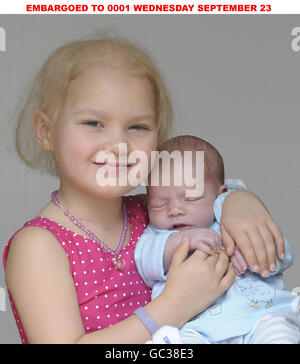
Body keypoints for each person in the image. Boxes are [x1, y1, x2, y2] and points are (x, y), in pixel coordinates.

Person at [2, 36, 285, 344]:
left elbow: (207, 194)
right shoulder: (39, 246)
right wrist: (174, 305)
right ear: (46, 132)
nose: (119, 145)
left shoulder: (156, 210)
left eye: (138, 127)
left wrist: (238, 200)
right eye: (93, 123)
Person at [135, 135, 300, 344]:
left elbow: (281, 254)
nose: (175, 210)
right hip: (196, 329)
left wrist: (250, 252)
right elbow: (144, 262)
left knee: (280, 333)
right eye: (159, 204)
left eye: (191, 198)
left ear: (220, 194)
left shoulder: (232, 217)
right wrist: (180, 241)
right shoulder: (157, 234)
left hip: (261, 318)